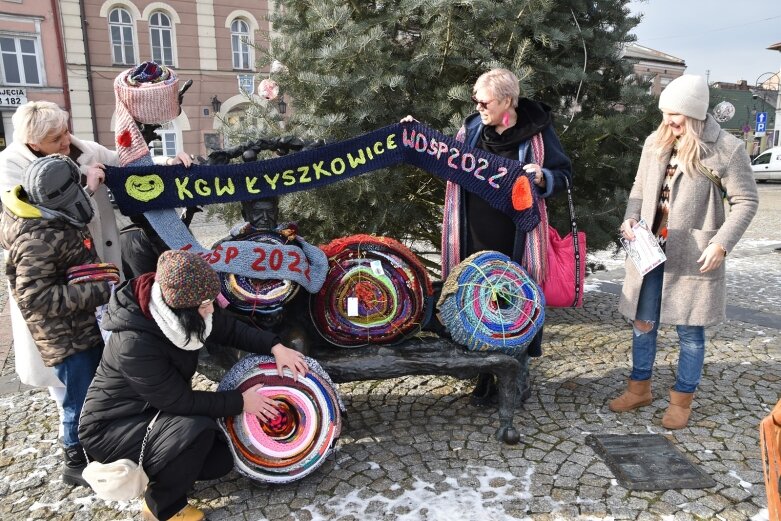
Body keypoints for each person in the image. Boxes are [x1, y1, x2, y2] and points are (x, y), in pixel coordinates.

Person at [78, 250, 308, 521]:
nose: (210, 309)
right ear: (180, 308)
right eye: (203, 305)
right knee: (196, 430)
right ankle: (162, 507)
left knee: (219, 458)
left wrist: (275, 346)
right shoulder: (135, 343)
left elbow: (230, 329)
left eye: (210, 301)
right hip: (112, 427)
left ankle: (165, 470)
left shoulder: (190, 309)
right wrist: (242, 401)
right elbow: (179, 402)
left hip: (152, 411)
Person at [402, 68, 572, 404]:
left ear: (507, 101)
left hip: (516, 238)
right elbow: (447, 158)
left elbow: (563, 175)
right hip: (472, 234)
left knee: (512, 305)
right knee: (473, 302)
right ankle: (483, 376)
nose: (478, 105)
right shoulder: (472, 128)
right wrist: (416, 135)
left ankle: (514, 381)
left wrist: (542, 176)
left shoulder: (536, 132)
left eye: (485, 101)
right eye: (475, 100)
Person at [609, 75, 758, 429]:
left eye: (675, 115)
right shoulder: (655, 142)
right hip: (649, 250)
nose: (668, 122)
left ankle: (681, 401)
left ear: (693, 113)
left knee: (690, 331)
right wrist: (630, 218)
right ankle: (639, 388)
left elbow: (746, 201)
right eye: (665, 114)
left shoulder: (726, 149)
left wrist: (721, 243)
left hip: (693, 253)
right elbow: (639, 188)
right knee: (643, 324)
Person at [0, 155, 114, 486]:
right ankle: (75, 462)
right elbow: (34, 298)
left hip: (81, 329)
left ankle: (96, 447)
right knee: (78, 399)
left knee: (91, 392)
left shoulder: (46, 214)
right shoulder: (34, 238)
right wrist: (95, 292)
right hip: (66, 337)